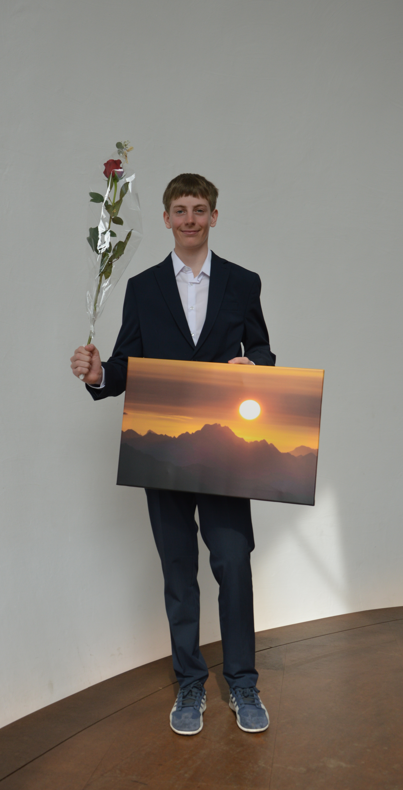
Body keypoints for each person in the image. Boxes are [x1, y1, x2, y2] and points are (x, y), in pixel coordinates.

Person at [71, 173, 276, 736]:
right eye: (180, 210)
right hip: (161, 451)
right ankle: (190, 683)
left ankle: (243, 682)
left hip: (225, 450)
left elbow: (262, 349)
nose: (190, 218)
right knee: (178, 569)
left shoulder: (243, 282)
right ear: (165, 219)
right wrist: (98, 374)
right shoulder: (142, 287)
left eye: (199, 209)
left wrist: (255, 366)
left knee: (233, 564)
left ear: (214, 216)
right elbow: (124, 366)